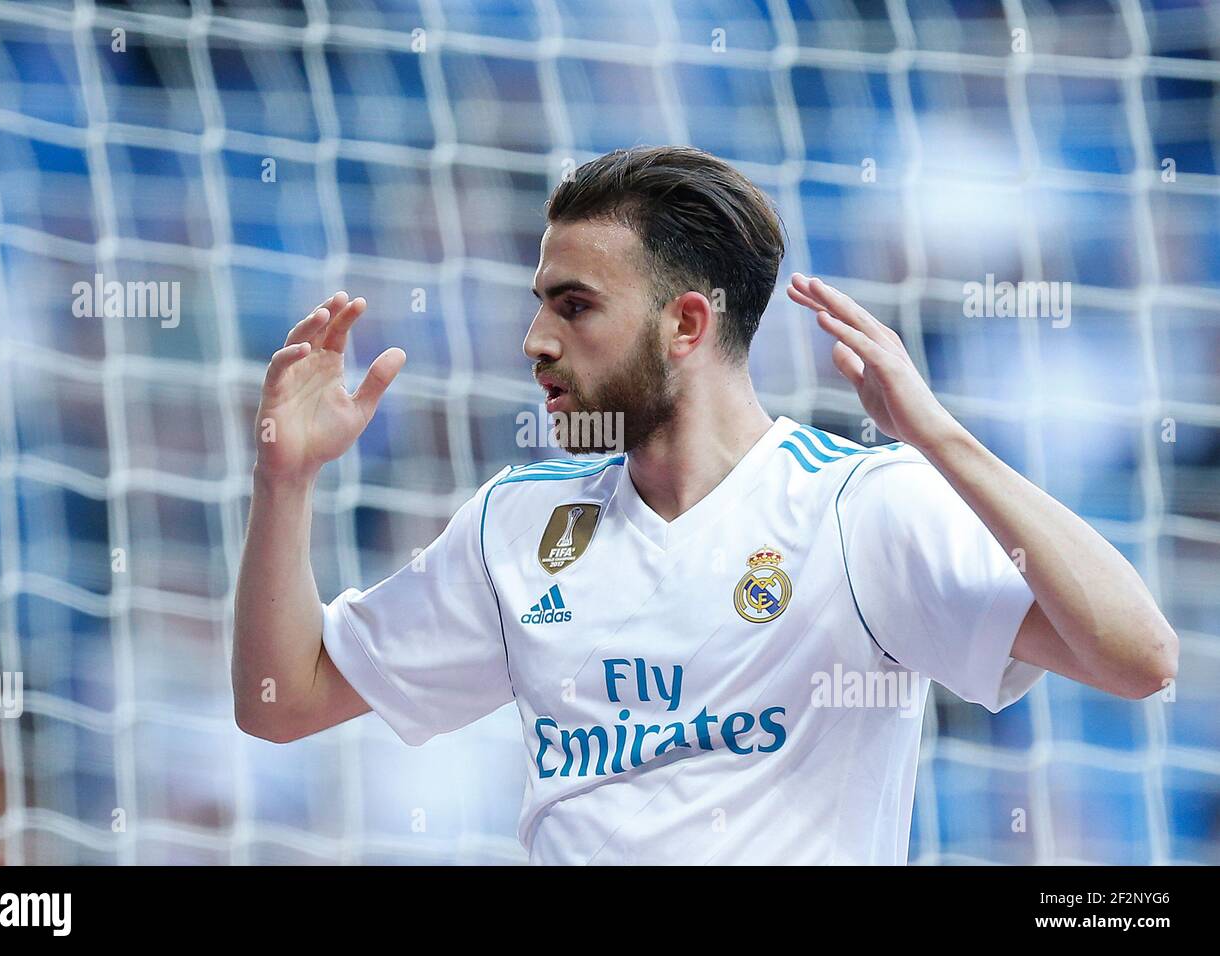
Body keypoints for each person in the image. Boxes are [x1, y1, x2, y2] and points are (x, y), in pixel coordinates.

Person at [232, 145, 1178, 864]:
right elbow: (281, 703)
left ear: (686, 322)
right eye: (539, 304)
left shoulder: (860, 508)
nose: (533, 340)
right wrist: (285, 481)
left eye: (574, 306)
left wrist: (938, 437)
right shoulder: (516, 525)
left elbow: (1138, 659)